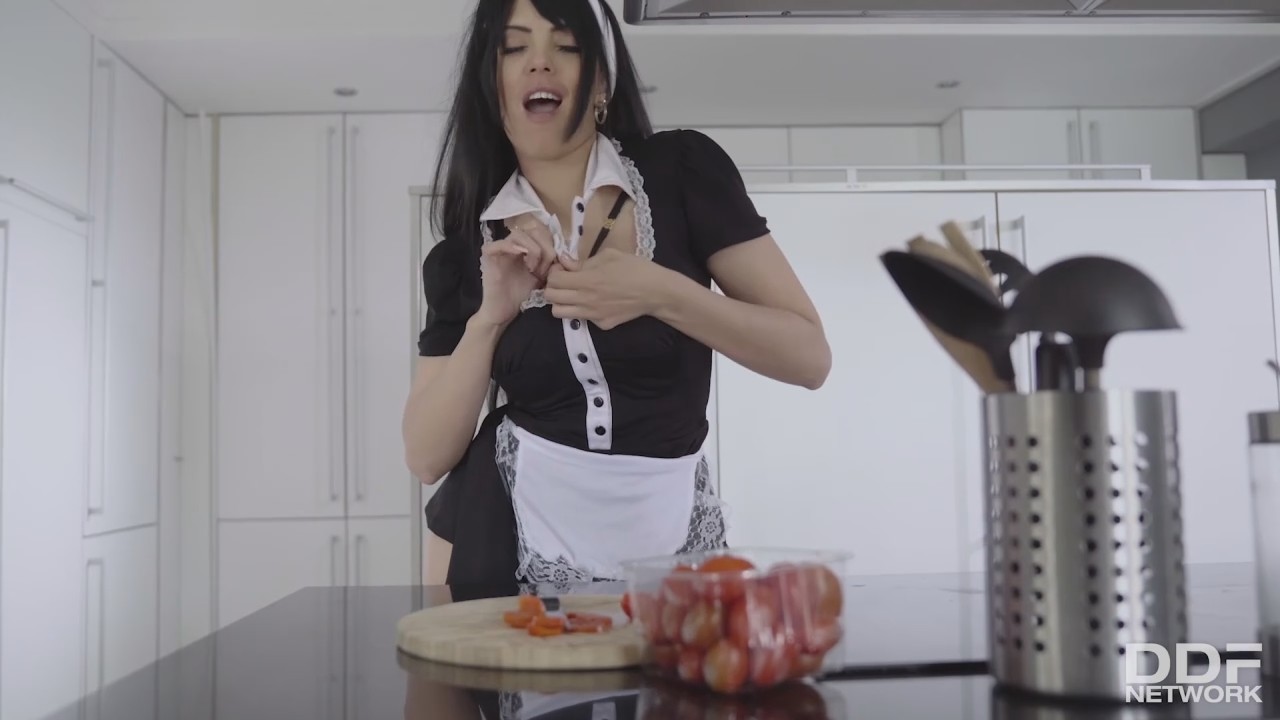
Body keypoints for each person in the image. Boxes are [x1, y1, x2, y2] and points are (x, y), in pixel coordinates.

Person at [401, 0, 831, 591]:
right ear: (490, 90)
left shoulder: (683, 172)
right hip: (502, 532)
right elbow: (426, 457)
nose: (539, 63)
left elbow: (809, 359)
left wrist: (661, 292)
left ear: (601, 84)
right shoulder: (461, 259)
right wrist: (490, 319)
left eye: (566, 46)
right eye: (514, 48)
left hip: (669, 529)